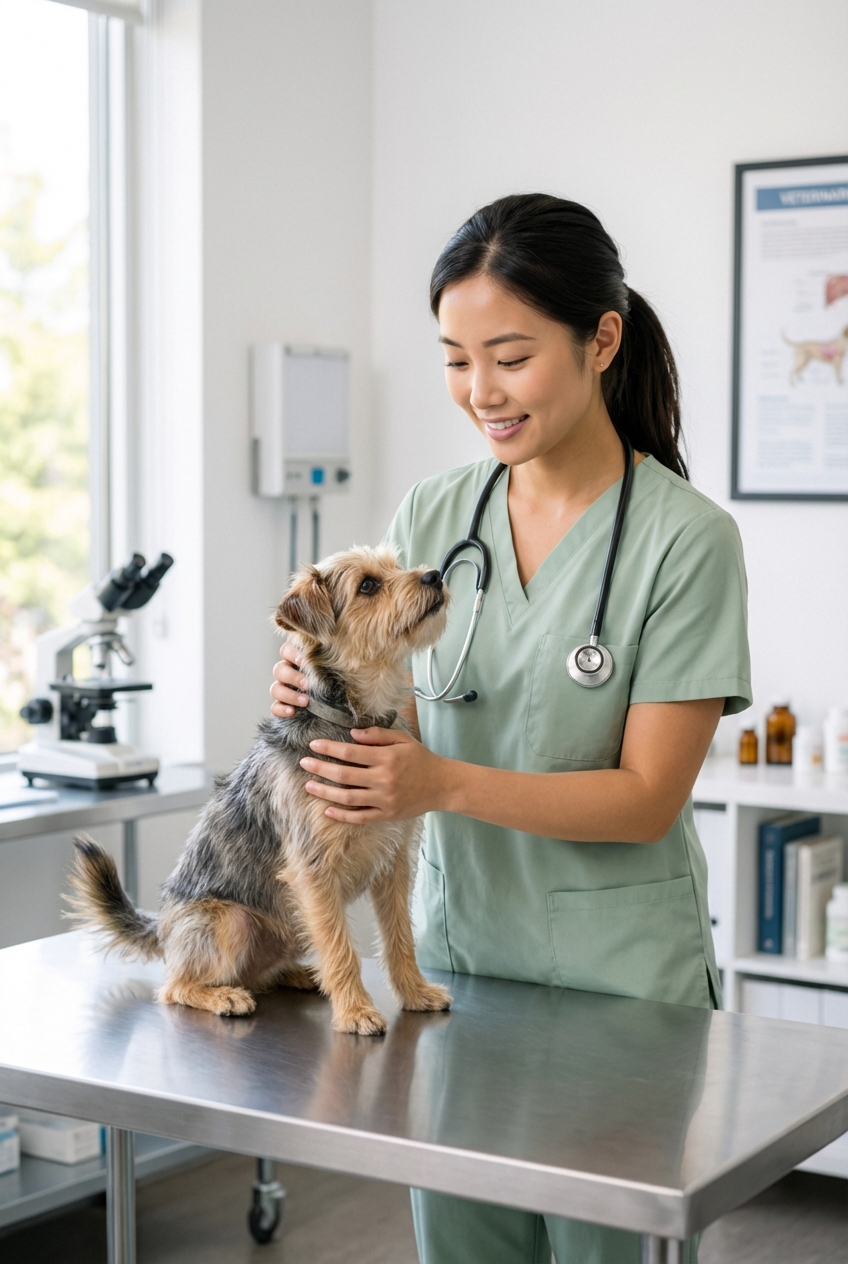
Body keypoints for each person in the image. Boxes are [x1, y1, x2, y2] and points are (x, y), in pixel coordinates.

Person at [270, 193, 752, 1264]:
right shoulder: (436, 515)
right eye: (453, 359)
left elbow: (646, 799)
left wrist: (434, 783)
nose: (478, 392)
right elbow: (362, 669)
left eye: (509, 355)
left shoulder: (685, 542)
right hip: (453, 970)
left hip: (621, 991)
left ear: (601, 339)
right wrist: (310, 675)